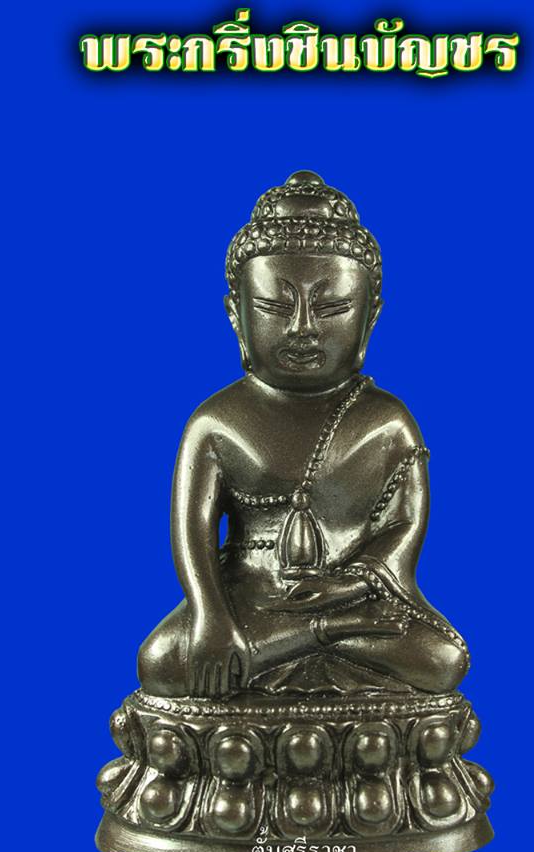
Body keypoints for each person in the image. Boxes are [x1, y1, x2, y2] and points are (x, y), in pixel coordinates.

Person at [138, 171, 468, 699]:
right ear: (236, 316)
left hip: (354, 600)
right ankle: (317, 635)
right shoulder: (216, 421)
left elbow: (404, 524)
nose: (302, 328)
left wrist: (352, 583)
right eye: (274, 306)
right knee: (160, 662)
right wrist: (210, 615)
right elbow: (192, 534)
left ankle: (314, 634)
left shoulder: (387, 420)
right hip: (251, 599)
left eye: (332, 308)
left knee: (443, 659)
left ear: (370, 318)